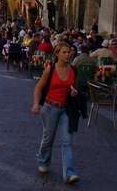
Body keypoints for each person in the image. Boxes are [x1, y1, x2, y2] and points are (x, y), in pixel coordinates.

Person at [31, 42, 80, 185]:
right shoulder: (50, 69)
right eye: (64, 52)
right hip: (50, 108)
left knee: (67, 142)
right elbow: (38, 88)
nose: (68, 55)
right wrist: (35, 103)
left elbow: (73, 88)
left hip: (66, 109)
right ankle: (43, 161)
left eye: (69, 52)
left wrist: (73, 92)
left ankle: (69, 173)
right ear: (57, 54)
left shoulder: (73, 70)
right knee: (48, 138)